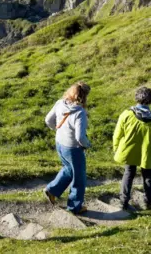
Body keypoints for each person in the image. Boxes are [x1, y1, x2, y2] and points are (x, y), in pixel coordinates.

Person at [43, 81, 91, 214]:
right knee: (79, 178)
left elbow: (48, 120)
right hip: (73, 148)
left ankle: (52, 190)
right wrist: (88, 144)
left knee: (68, 169)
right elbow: (80, 137)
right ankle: (75, 206)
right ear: (84, 96)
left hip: (60, 144)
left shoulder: (60, 103)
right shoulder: (80, 112)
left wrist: (58, 130)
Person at [113, 87, 151, 210]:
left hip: (129, 152)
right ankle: (148, 202)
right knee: (148, 177)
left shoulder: (126, 114)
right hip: (148, 155)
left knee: (128, 174)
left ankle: (123, 202)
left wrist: (116, 148)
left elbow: (117, 134)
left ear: (136, 97)